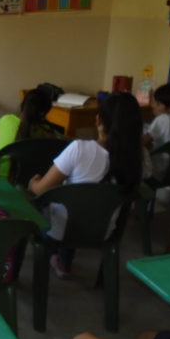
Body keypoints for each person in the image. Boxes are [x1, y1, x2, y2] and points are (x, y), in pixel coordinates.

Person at [28, 91, 146, 278]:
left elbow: (42, 189)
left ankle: (57, 260)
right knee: (82, 204)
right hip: (104, 232)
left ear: (98, 120)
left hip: (61, 233)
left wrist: (32, 183)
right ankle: (64, 262)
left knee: (47, 204)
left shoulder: (79, 148)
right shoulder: (140, 157)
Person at [0, 88, 64, 179]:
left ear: (23, 104)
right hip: (26, 183)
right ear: (43, 113)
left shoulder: (6, 120)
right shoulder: (43, 131)